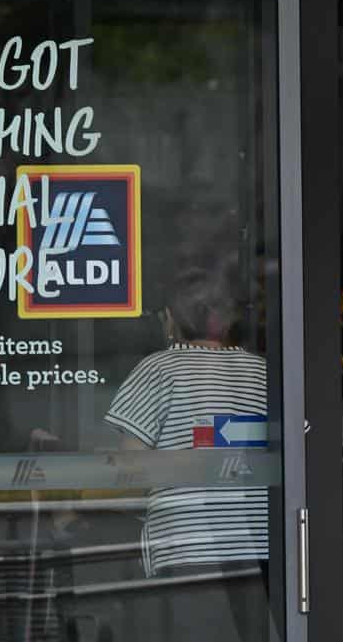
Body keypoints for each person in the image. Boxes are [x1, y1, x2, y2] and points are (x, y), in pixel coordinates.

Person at [105, 267, 269, 642]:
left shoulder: (159, 369)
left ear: (169, 320)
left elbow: (132, 468)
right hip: (259, 542)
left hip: (188, 544)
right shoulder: (264, 373)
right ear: (226, 321)